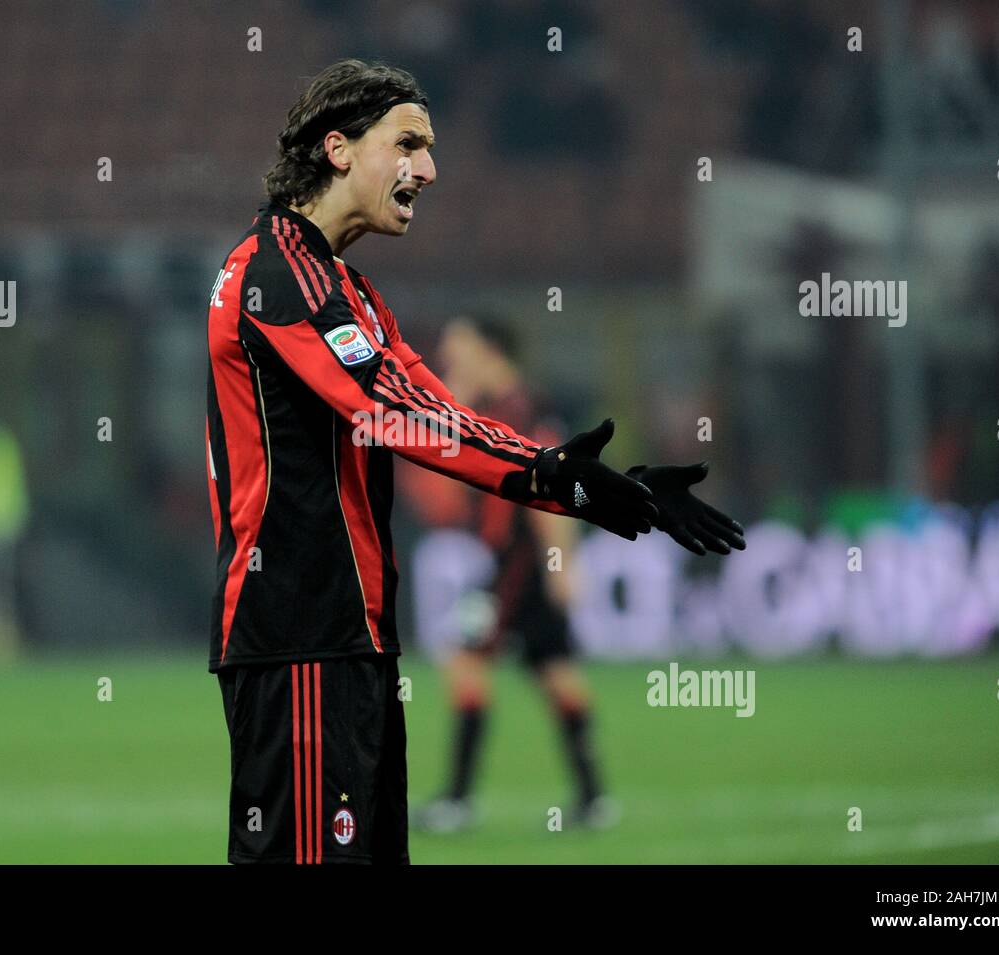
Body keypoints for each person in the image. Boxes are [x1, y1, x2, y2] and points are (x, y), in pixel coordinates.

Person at [204, 59, 745, 864]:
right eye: (410, 143)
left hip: (347, 637)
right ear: (339, 148)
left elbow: (447, 412)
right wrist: (558, 480)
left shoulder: (343, 286)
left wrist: (611, 489)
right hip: (300, 633)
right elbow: (400, 415)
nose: (430, 169)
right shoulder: (278, 276)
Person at [409, 315, 615, 832]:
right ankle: (594, 798)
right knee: (554, 671)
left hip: (518, 562)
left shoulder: (523, 411)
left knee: (464, 660)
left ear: (491, 351)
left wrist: (560, 562)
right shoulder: (499, 408)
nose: (449, 363)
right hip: (515, 562)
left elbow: (555, 486)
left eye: (458, 351)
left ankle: (457, 801)